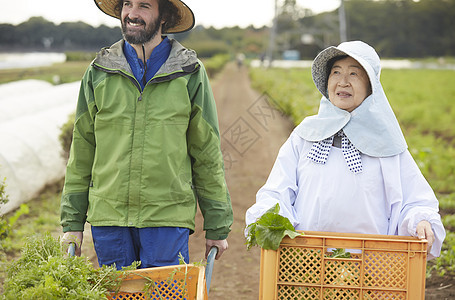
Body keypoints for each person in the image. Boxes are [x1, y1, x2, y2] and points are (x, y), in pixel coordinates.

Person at [60, 0, 233, 269]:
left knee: (166, 294)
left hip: (166, 215)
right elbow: (82, 150)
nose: (132, 13)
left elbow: (206, 152)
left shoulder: (189, 72)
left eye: (143, 5)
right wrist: (72, 222)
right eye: (127, 4)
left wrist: (217, 224)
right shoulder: (99, 71)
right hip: (110, 217)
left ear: (163, 16)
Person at [245, 41, 445, 259]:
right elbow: (277, 191)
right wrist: (269, 216)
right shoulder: (305, 135)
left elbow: (414, 200)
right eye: (336, 72)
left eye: (354, 74)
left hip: (370, 266)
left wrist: (421, 220)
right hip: (305, 261)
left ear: (371, 87)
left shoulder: (386, 143)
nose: (343, 82)